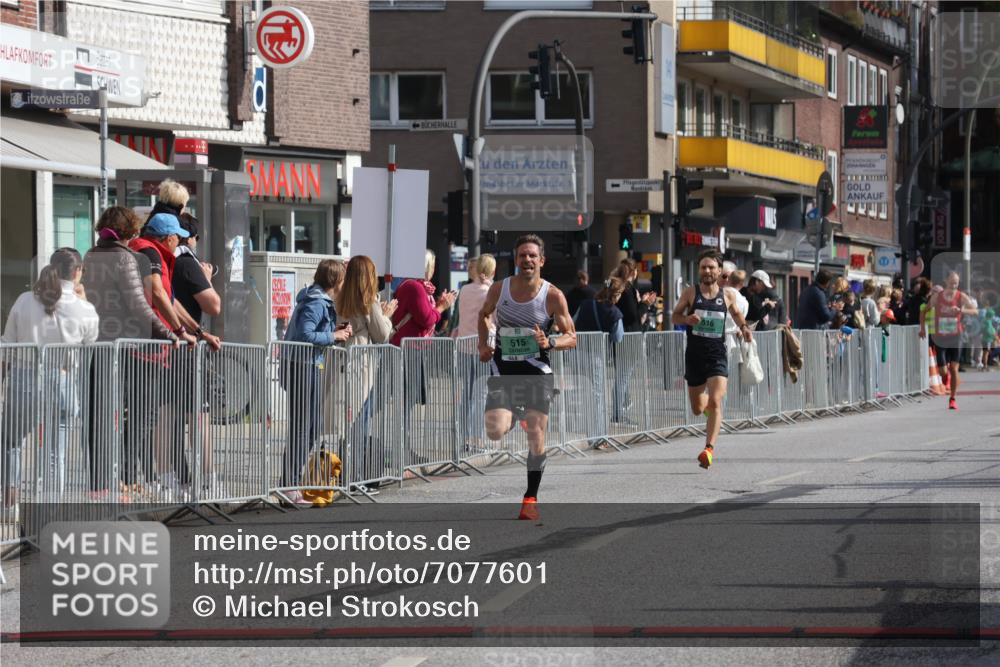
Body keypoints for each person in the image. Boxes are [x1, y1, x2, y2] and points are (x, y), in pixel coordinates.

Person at [83, 207, 187, 501]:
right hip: (124, 347)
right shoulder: (126, 259)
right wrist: (170, 333)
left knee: (100, 420)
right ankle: (118, 484)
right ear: (129, 232)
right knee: (134, 416)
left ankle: (100, 486)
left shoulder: (91, 255)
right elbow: (139, 306)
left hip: (96, 345)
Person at [477, 234, 576, 520]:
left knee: (536, 435)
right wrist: (483, 345)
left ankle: (530, 498)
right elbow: (484, 315)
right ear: (516, 260)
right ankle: (515, 413)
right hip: (503, 370)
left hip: (536, 373)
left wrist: (551, 342)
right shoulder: (500, 289)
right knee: (494, 430)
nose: (527, 260)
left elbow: (572, 336)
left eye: (533, 256)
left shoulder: (553, 296)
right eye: (523, 256)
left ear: (541, 261)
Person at [2, 249, 99, 514]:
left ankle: (10, 503)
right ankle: (51, 509)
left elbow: (7, 345)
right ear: (77, 272)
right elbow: (89, 345)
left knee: (11, 441)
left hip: (24, 377)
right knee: (56, 453)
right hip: (63, 380)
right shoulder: (85, 309)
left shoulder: (24, 300)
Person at [671, 249, 753, 470]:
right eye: (703, 267)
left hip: (717, 353)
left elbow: (736, 314)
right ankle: (712, 414)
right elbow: (674, 316)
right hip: (695, 355)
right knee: (698, 408)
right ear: (699, 270)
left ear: (719, 271)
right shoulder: (690, 293)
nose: (707, 271)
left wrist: (744, 327)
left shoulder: (727, 295)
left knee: (716, 400)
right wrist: (687, 318)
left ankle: (708, 449)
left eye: (711, 267)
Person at [281, 260, 352, 506]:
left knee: (311, 427)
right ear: (336, 282)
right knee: (303, 428)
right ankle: (288, 485)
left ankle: (290, 482)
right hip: (302, 366)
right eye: (343, 280)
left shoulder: (318, 300)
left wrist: (335, 331)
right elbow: (305, 335)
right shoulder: (315, 301)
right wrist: (334, 335)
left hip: (309, 365)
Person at [168, 212, 224, 499]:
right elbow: (213, 306)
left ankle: (174, 479)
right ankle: (208, 479)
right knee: (197, 416)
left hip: (170, 346)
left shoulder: (164, 260)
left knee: (169, 415)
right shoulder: (186, 262)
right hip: (186, 349)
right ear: (191, 238)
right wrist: (207, 279)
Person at [337, 255, 397, 491]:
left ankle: (347, 475)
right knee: (360, 420)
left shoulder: (340, 296)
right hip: (362, 363)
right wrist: (387, 316)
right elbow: (382, 334)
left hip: (345, 360)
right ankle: (357, 478)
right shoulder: (368, 298)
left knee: (350, 420)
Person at [920, 271, 979, 410]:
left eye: (956, 283)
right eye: (952, 282)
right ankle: (946, 379)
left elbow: (975, 311)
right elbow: (924, 311)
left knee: (953, 368)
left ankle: (952, 399)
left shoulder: (961, 296)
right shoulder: (937, 297)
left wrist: (960, 310)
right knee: (943, 371)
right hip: (940, 337)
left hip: (956, 336)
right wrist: (922, 328)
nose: (954, 285)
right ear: (946, 281)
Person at [390, 250, 457, 346]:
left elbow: (422, 314)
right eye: (433, 266)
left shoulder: (415, 285)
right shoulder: (415, 287)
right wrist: (442, 306)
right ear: (428, 267)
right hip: (410, 347)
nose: (433, 270)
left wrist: (438, 305)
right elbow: (427, 320)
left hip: (410, 345)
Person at [452, 254, 496, 339]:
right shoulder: (492, 291)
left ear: (477, 269)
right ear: (493, 271)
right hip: (487, 344)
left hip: (464, 344)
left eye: (471, 267)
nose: (468, 269)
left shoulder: (464, 289)